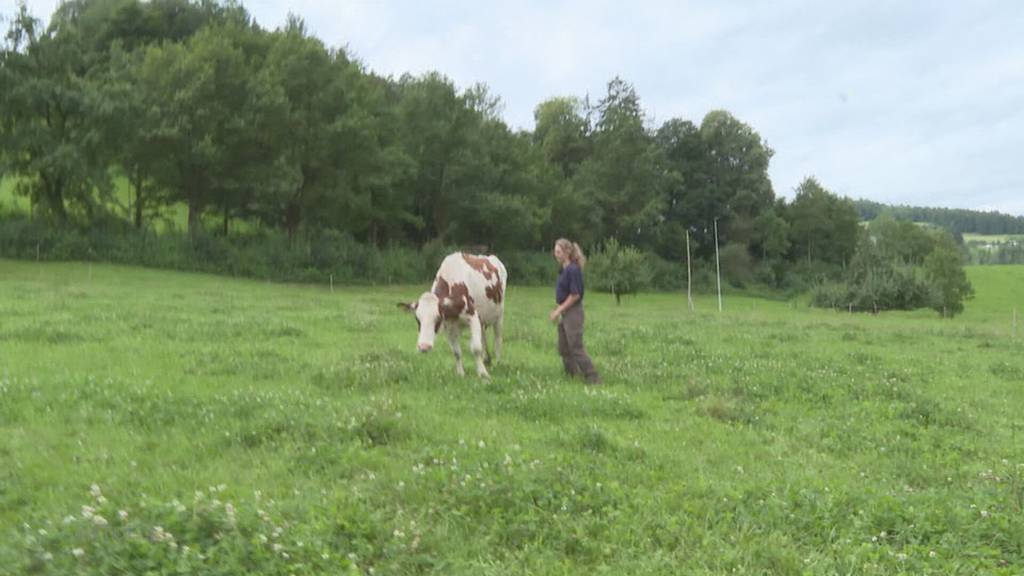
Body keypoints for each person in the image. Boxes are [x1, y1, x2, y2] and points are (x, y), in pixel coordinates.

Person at [549, 238, 601, 384]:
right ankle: (572, 374)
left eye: (558, 252)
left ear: (567, 252)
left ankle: (593, 377)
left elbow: (575, 295)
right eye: (555, 252)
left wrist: (558, 310)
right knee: (563, 347)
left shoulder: (573, 270)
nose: (556, 255)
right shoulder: (563, 270)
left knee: (575, 346)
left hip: (573, 312)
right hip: (565, 312)